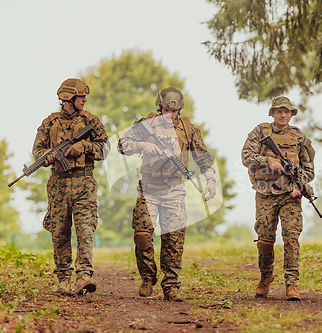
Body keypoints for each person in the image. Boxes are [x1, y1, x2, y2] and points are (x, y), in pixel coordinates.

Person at [118, 87, 216, 302]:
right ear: (159, 106)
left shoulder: (189, 130)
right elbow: (122, 145)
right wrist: (142, 144)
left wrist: (210, 179)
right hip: (149, 188)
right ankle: (147, 277)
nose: (168, 115)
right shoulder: (145, 125)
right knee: (142, 234)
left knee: (173, 240)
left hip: (175, 190)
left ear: (179, 110)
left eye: (173, 112)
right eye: (165, 110)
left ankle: (171, 286)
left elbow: (203, 158)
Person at [32, 78, 110, 295]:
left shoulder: (91, 121)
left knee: (85, 231)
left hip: (84, 182)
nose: (84, 100)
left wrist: (84, 146)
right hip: (58, 184)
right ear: (68, 99)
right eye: (80, 97)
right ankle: (64, 280)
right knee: (59, 233)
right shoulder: (49, 123)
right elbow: (37, 151)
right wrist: (47, 157)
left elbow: (105, 149)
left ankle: (84, 276)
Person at [241, 96, 315, 301]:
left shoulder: (299, 137)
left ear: (291, 114)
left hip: (290, 196)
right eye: (279, 111)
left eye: (287, 111)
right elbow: (246, 157)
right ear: (272, 113)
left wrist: (300, 186)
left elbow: (309, 169)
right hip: (265, 193)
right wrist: (268, 160)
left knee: (291, 238)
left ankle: (291, 284)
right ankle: (265, 277)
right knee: (265, 240)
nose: (283, 115)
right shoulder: (260, 132)